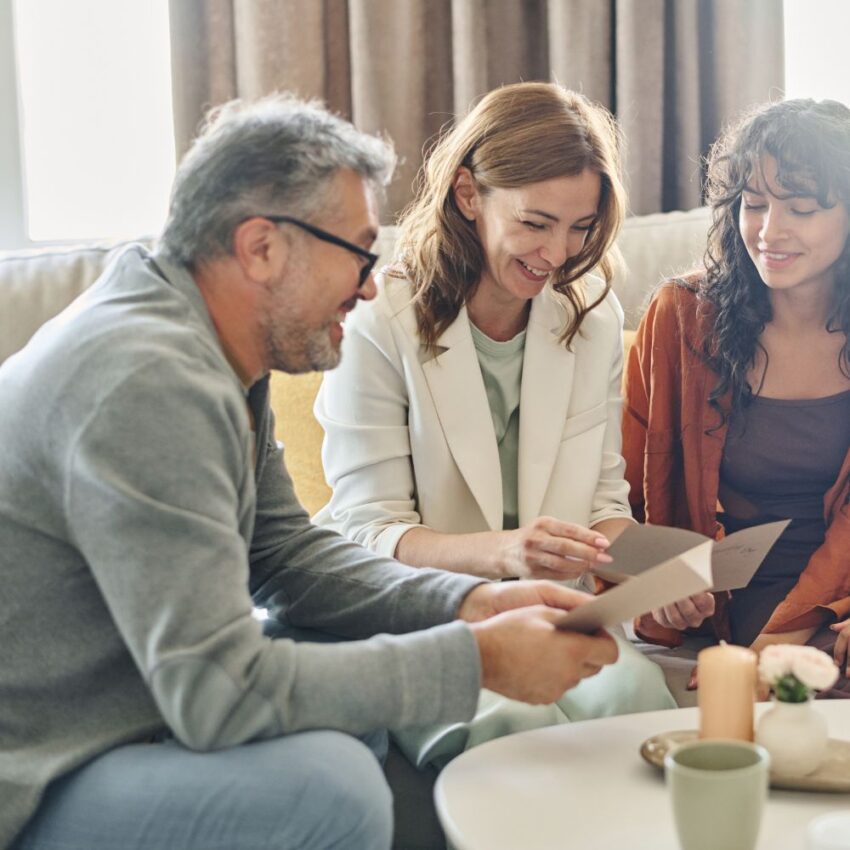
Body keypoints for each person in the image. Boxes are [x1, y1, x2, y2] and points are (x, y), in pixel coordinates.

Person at [0, 94, 623, 850]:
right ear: (262, 247)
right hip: (40, 768)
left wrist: (472, 604)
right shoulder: (148, 381)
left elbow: (288, 559)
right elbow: (217, 692)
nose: (368, 286)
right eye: (357, 253)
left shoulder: (205, 337)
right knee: (336, 788)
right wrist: (475, 660)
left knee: (338, 700)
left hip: (129, 711)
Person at [313, 81, 675, 767]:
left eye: (579, 228)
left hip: (555, 610)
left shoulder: (589, 314)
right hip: (434, 616)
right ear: (468, 195)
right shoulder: (377, 320)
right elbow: (369, 530)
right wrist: (503, 552)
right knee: (510, 737)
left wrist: (663, 571)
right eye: (536, 223)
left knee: (635, 706)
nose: (558, 253)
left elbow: (601, 508)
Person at [623, 98, 850, 695]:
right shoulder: (682, 317)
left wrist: (779, 644)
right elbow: (620, 487)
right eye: (753, 204)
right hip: (734, 592)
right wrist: (656, 576)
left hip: (837, 593)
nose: (770, 232)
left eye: (801, 208)